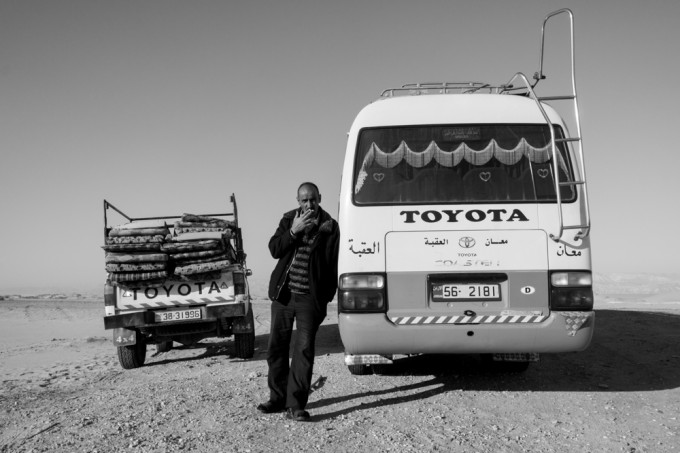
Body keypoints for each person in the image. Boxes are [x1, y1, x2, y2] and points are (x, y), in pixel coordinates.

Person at [257, 182, 340, 422]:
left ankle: (295, 405)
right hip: (284, 296)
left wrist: (322, 300)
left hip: (308, 300)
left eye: (313, 199)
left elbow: (333, 264)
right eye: (304, 200)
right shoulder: (287, 220)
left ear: (319, 198)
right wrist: (293, 231)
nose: (309, 204)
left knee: (303, 350)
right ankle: (277, 398)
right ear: (298, 201)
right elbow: (274, 249)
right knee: (276, 348)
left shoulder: (330, 227)